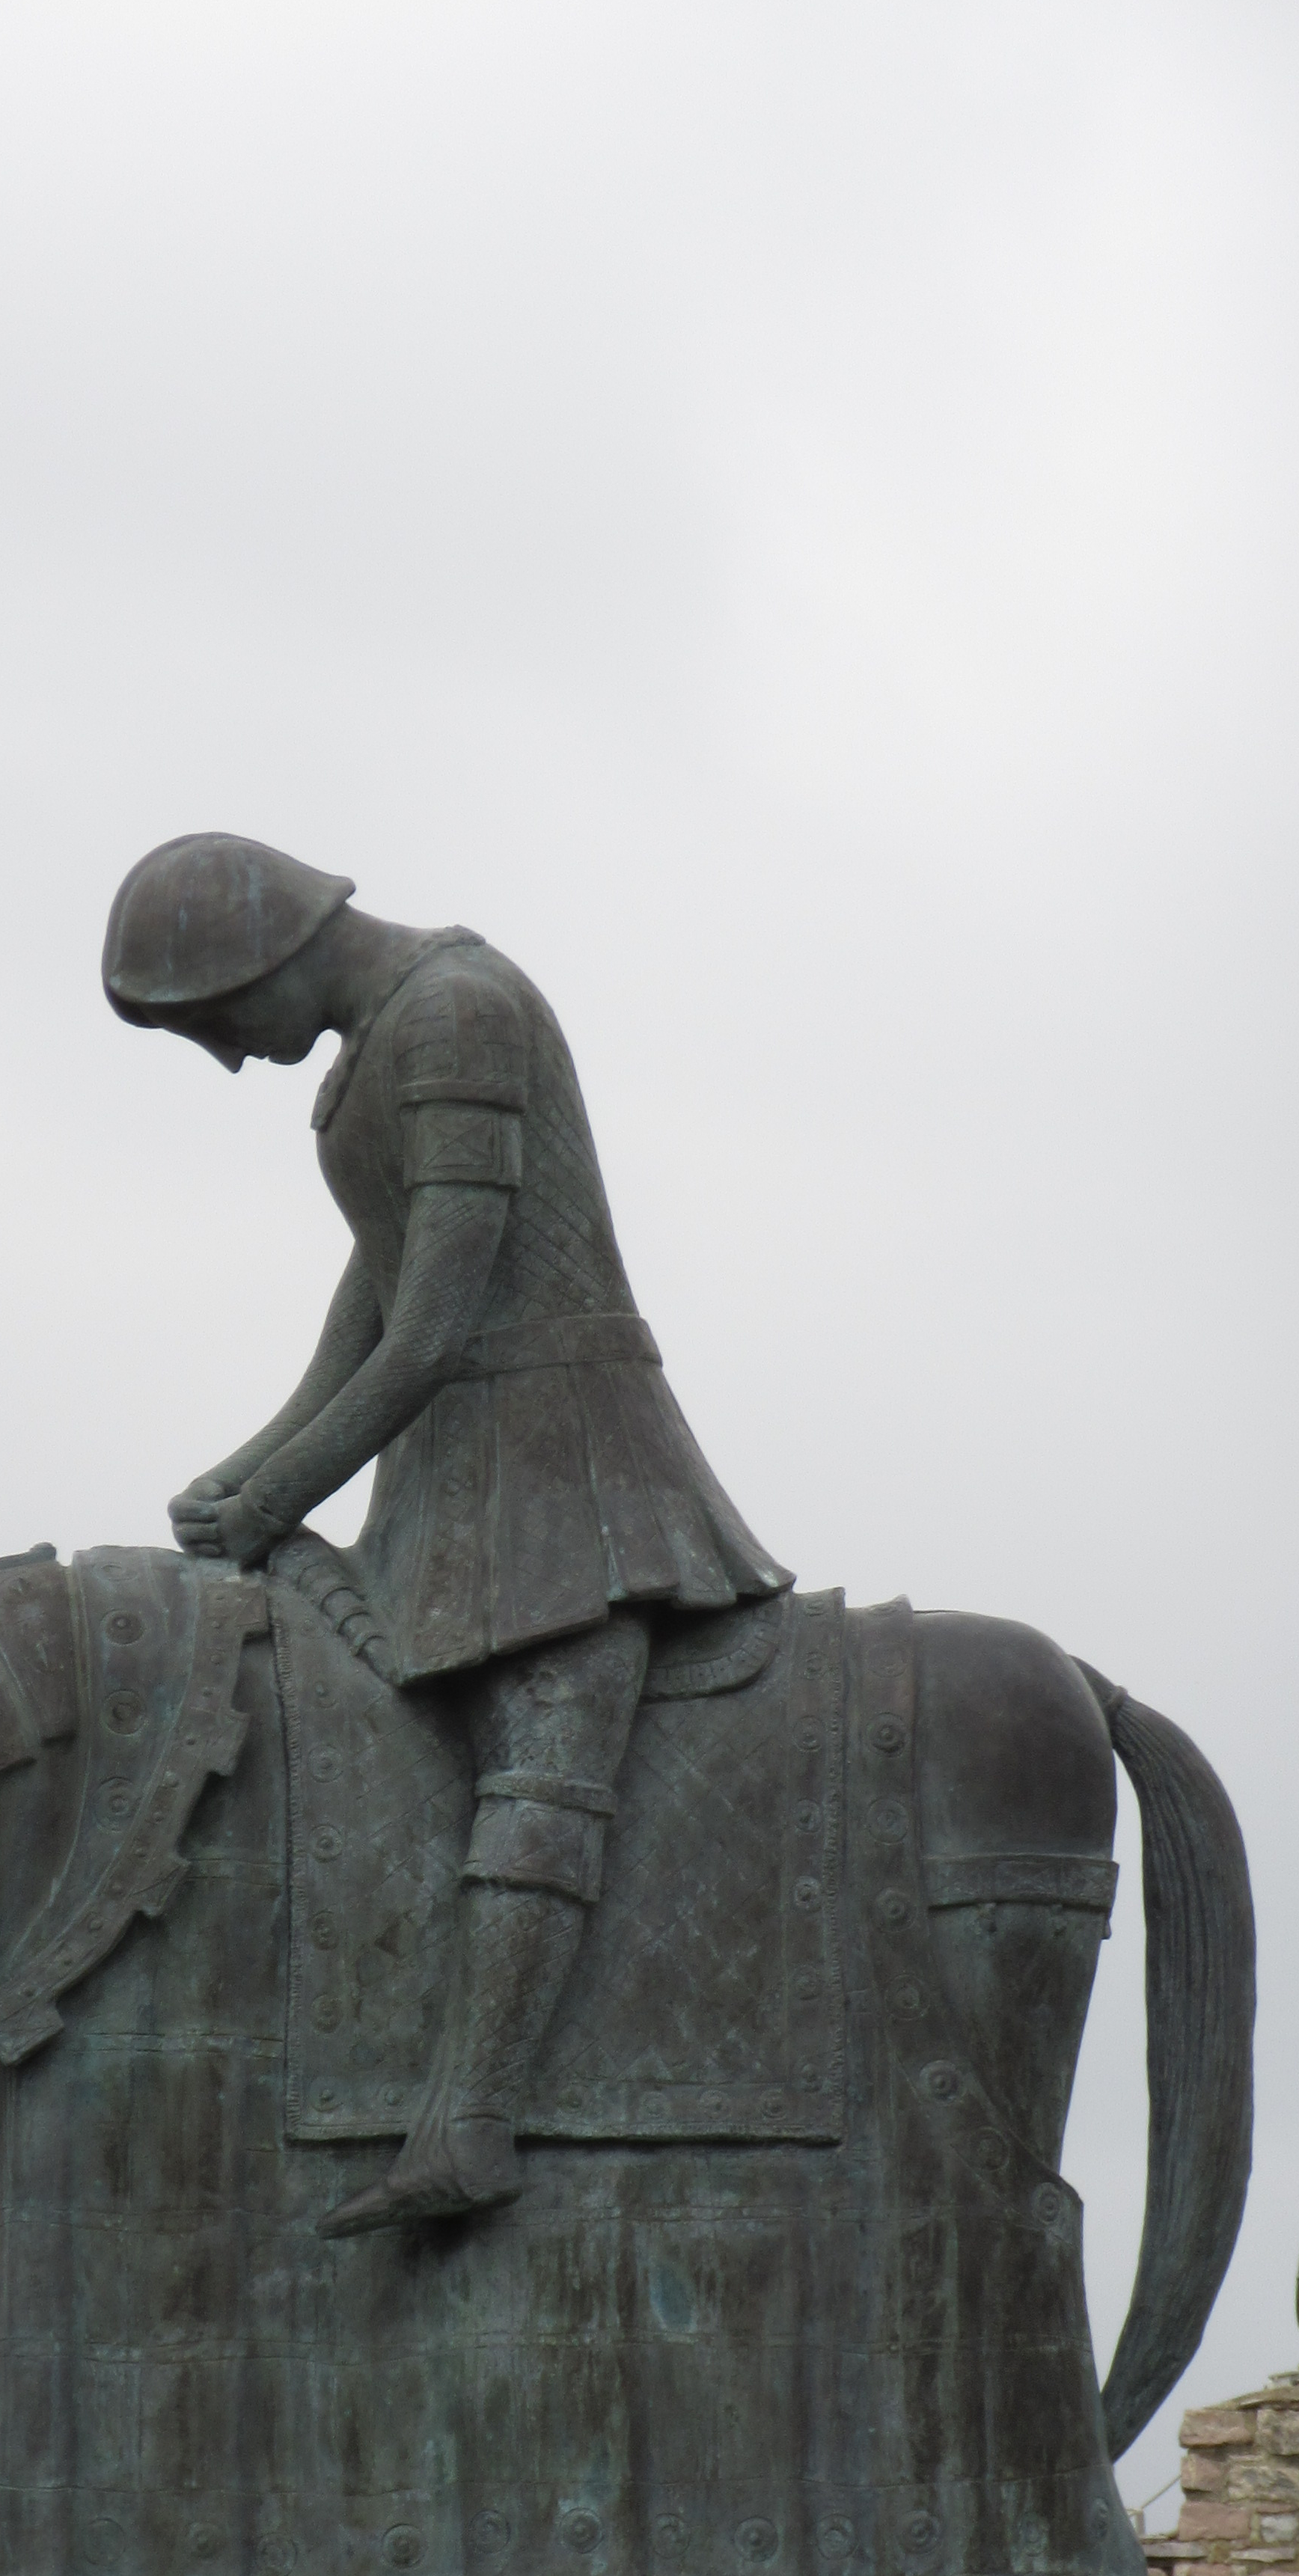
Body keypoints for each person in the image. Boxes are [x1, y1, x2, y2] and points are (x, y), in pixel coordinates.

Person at [103, 832, 789, 2235]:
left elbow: (437, 1322)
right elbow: (378, 1282)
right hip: (450, 1468)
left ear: (265, 953)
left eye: (216, 1022)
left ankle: (471, 2119)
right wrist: (256, 1466)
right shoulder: (373, 1047)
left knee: (542, 1775)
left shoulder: (460, 1012)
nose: (228, 1059)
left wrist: (281, 1491)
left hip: (563, 1463)